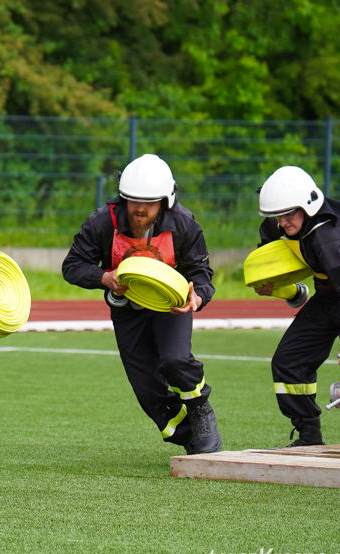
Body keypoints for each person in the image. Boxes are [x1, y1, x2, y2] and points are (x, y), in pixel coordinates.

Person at [61, 154, 222, 454]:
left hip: (170, 306)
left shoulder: (184, 224)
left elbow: (202, 274)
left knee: (175, 361)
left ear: (166, 201)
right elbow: (72, 266)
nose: (139, 209)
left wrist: (196, 297)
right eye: (132, 200)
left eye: (149, 202)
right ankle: (188, 436)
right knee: (147, 389)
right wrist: (104, 277)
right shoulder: (101, 222)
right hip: (126, 311)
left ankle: (201, 412)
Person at [253, 165, 340, 446]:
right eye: (278, 215)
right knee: (289, 362)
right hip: (327, 297)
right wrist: (280, 287)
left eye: (288, 214)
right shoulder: (282, 222)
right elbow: (272, 251)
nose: (283, 222)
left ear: (308, 205)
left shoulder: (330, 241)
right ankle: (309, 435)